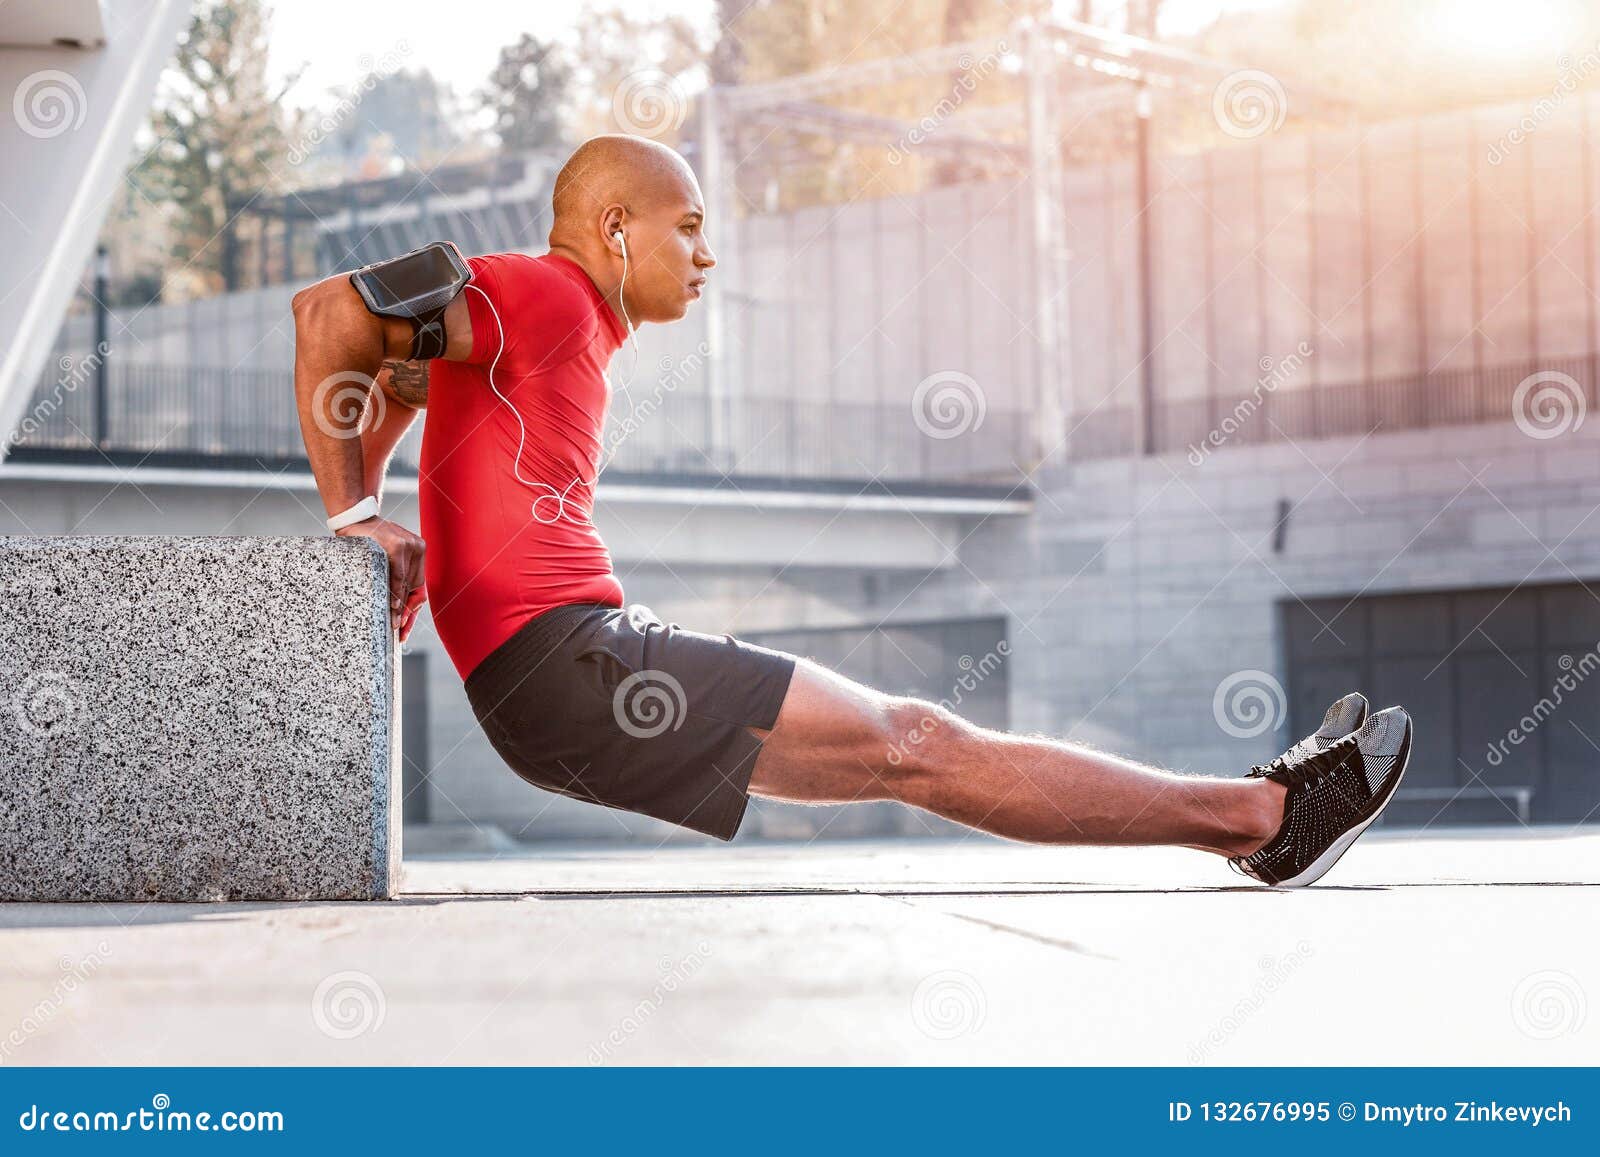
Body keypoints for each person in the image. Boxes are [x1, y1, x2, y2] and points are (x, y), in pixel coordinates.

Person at [290, 134, 1412, 887]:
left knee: (912, 755)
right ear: (616, 225)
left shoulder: (542, 330)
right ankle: (1265, 818)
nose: (707, 251)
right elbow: (329, 314)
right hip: (572, 663)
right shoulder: (541, 290)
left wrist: (383, 509)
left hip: (551, 690)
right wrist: (355, 520)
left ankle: (1259, 825)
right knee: (914, 738)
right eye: (686, 225)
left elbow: (389, 379)